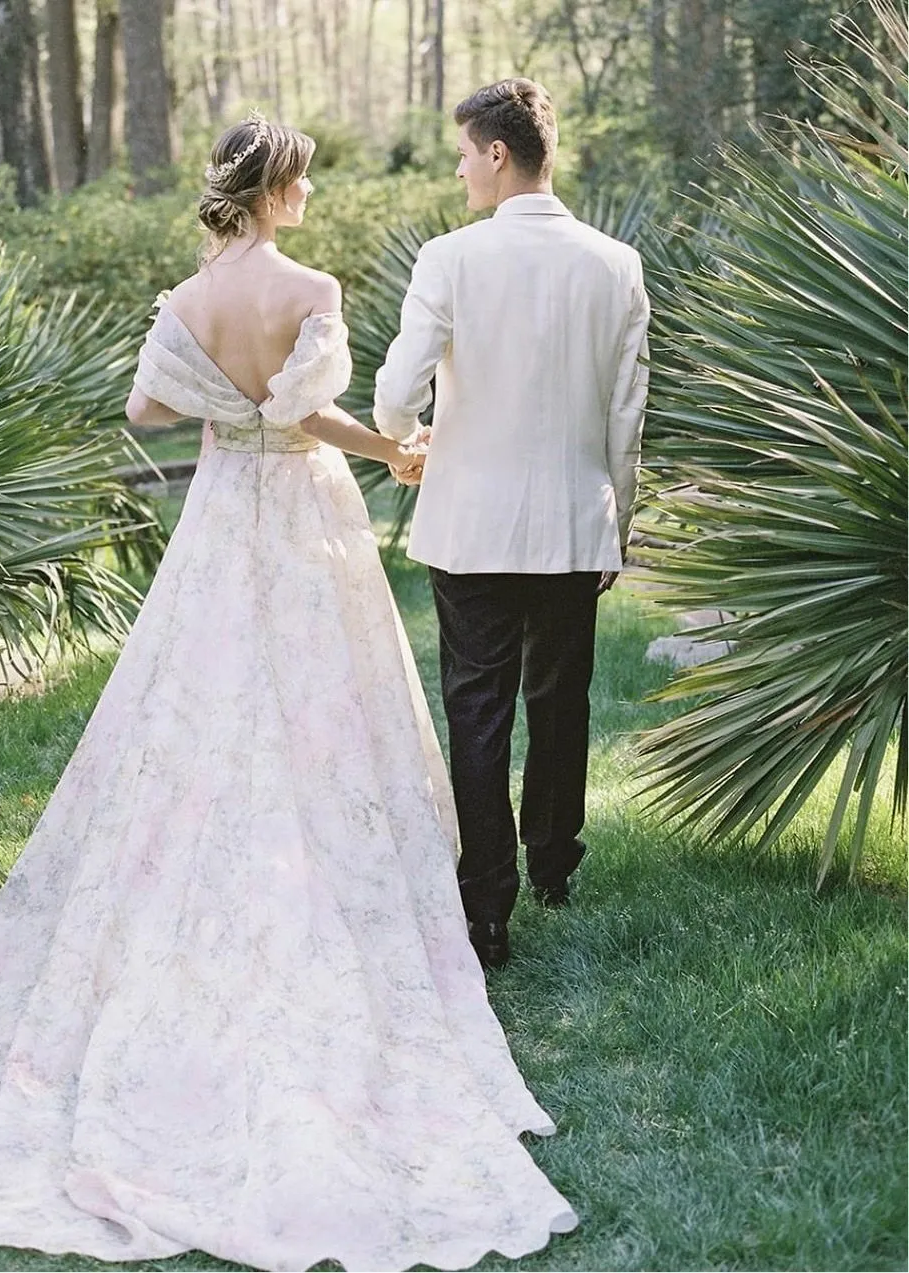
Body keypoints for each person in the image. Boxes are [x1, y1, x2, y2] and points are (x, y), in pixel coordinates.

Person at [0, 112, 577, 1271]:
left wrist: (229, 409)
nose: (312, 198)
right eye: (305, 181)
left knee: (201, 699)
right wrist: (390, 453)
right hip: (302, 506)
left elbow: (147, 413)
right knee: (326, 702)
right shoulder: (307, 285)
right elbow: (306, 415)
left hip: (223, 510)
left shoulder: (183, 301)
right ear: (272, 187)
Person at [373, 78, 651, 971]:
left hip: (471, 526)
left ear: (499, 154)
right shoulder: (617, 264)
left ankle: (485, 907)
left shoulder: (451, 259)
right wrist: (621, 515)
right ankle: (555, 864)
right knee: (560, 700)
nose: (459, 171)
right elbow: (625, 415)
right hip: (575, 521)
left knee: (478, 708)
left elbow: (390, 396)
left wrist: (403, 437)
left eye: (463, 155)